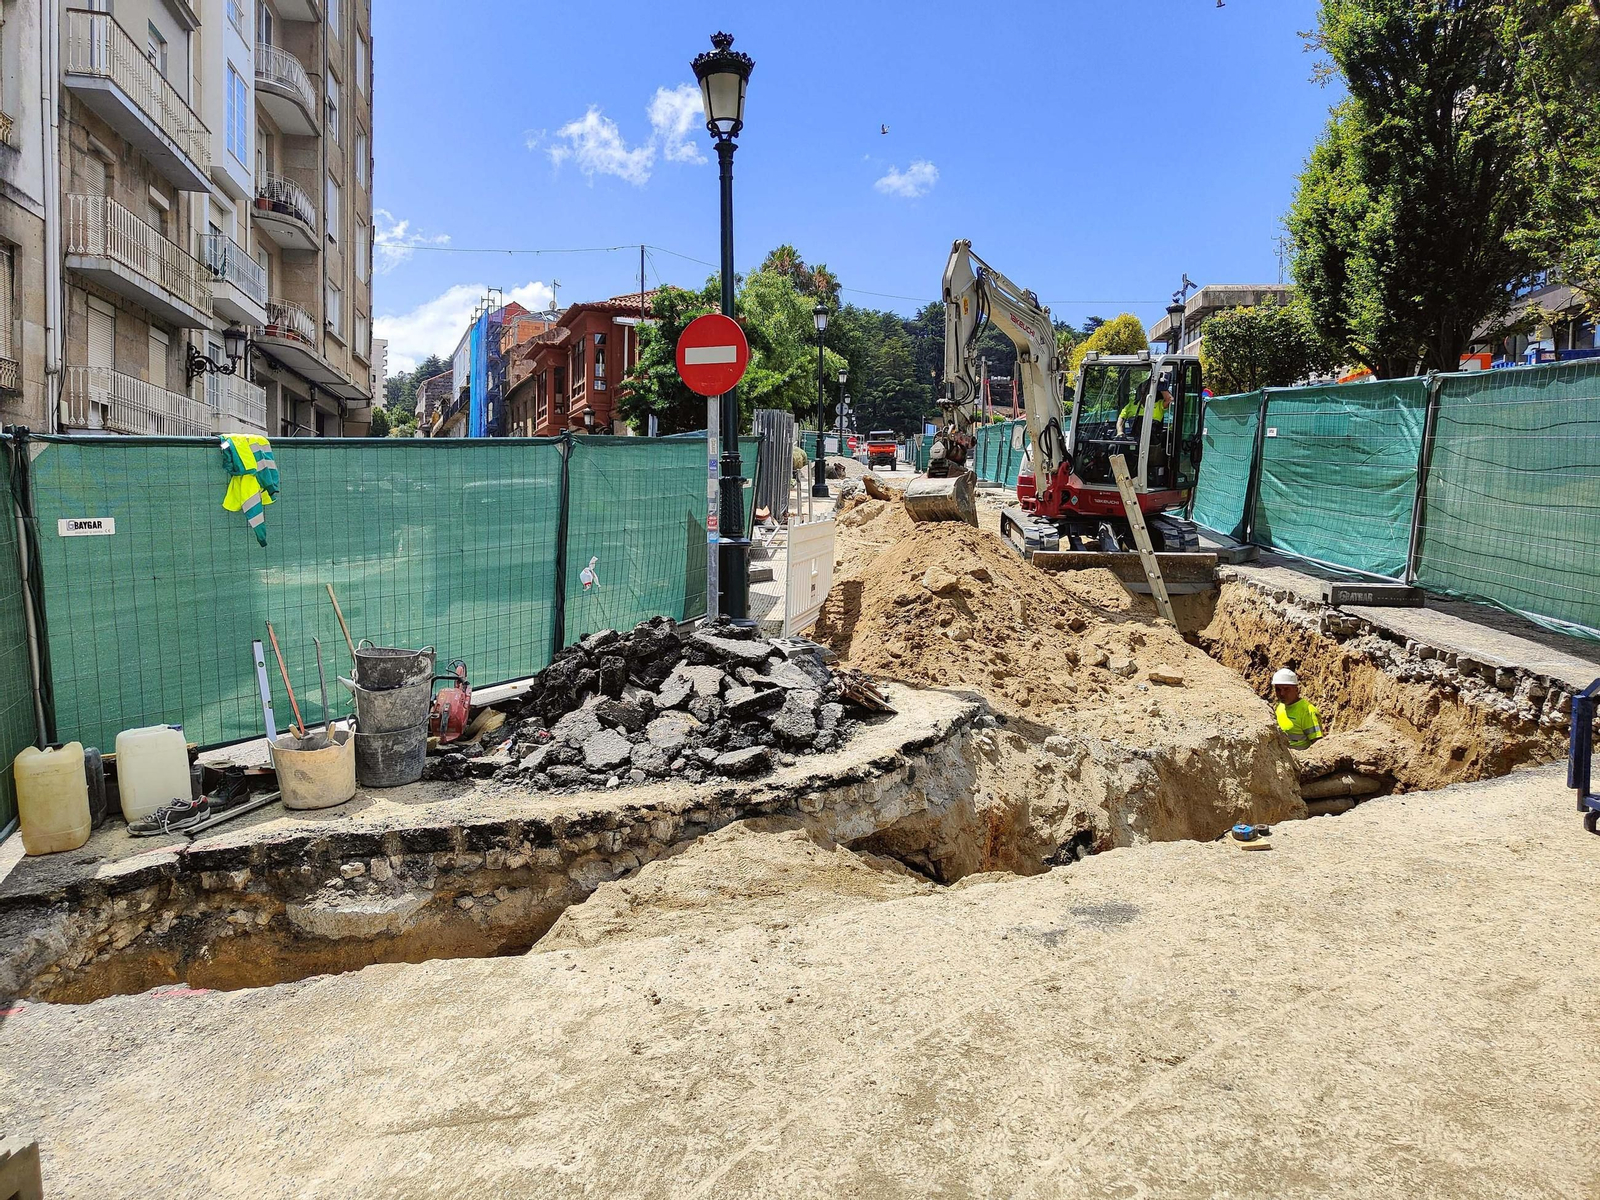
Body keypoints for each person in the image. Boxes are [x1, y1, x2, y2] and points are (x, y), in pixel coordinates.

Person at [1271, 667, 1324, 750]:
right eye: (1278, 689)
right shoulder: (1280, 706)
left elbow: (1317, 744)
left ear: (1296, 689)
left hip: (1301, 760)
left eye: (1286, 689)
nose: (1282, 693)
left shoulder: (1307, 711)